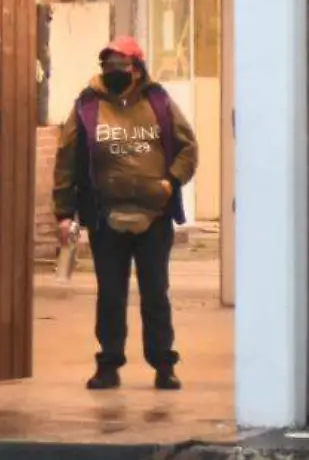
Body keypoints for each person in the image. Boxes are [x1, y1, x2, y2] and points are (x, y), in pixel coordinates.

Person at [51, 36, 199, 392]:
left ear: (137, 69)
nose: (114, 71)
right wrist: (63, 211)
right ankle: (109, 364)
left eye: (122, 65)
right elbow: (67, 159)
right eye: (108, 65)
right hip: (105, 216)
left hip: (154, 216)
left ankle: (164, 364)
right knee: (111, 294)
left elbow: (187, 148)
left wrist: (170, 181)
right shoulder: (87, 106)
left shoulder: (158, 101)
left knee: (155, 293)